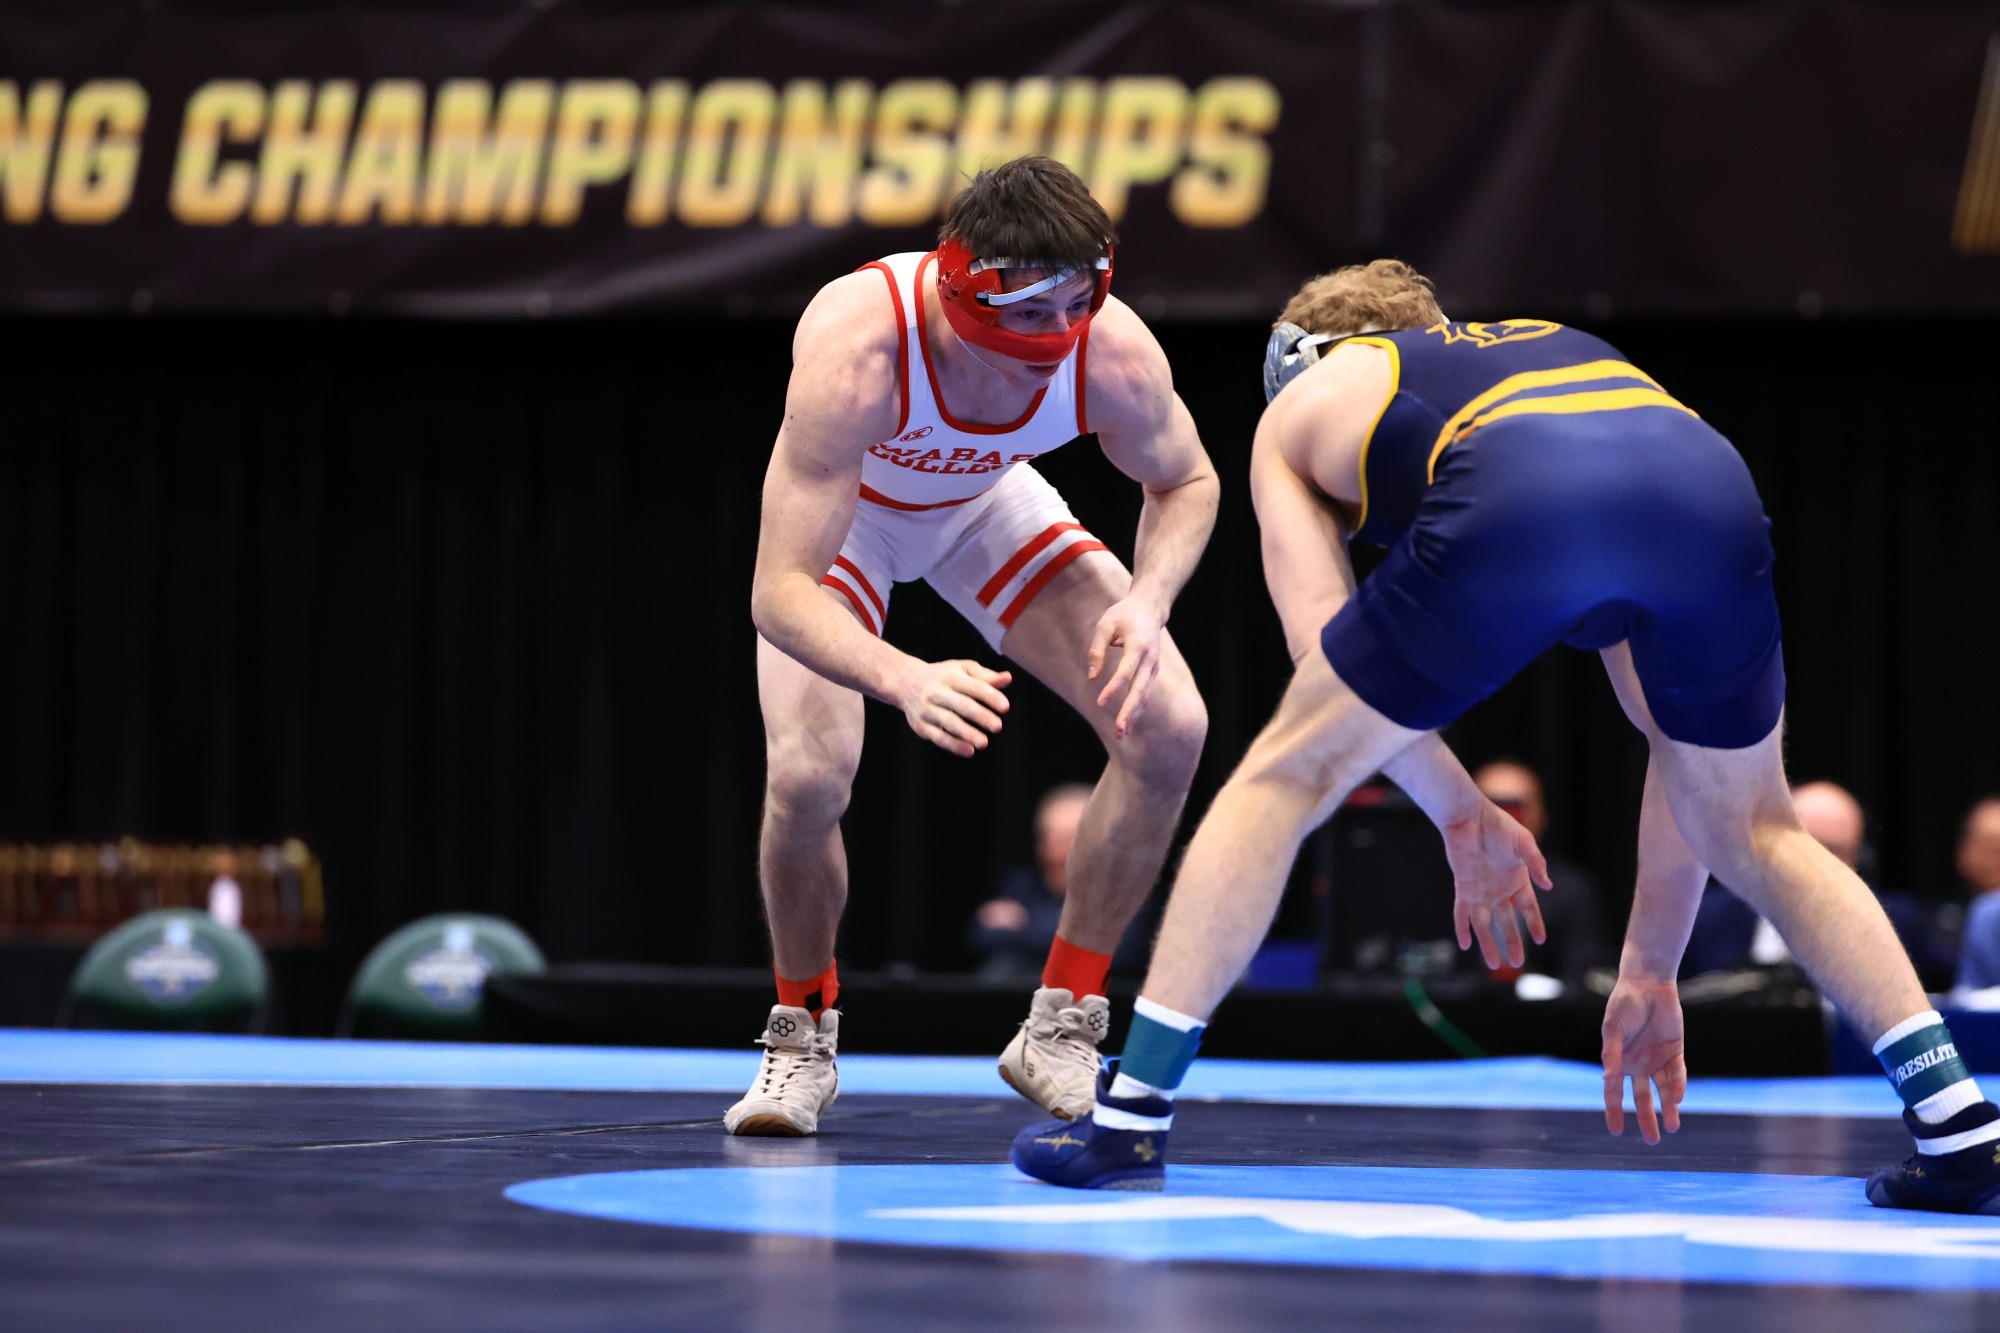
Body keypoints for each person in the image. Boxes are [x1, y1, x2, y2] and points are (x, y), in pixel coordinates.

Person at [1013, 260, 2000, 1215]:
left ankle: (1128, 1115)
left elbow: (1319, 643)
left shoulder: (1306, 402)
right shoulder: (1544, 346)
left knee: (1277, 778)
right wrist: (1645, 969)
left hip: (1516, 481)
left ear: (1300, 355)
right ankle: (1958, 1129)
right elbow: (1671, 747)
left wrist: (1457, 812)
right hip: (1706, 485)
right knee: (1759, 826)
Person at [728, 156, 1217, 1137]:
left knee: (1168, 728)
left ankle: (1061, 1020)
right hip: (848, 527)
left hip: (978, 505)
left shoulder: (1110, 349)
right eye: (1027, 315)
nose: (1053, 338)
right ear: (962, 289)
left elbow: (1187, 480)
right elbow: (778, 593)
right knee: (811, 775)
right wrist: (903, 677)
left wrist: (1149, 599)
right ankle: (800, 1034)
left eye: (1073, 305)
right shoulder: (860, 343)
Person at [1684, 781, 1956, 989]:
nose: (1819, 865)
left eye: (1835, 851)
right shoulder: (1704, 918)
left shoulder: (1896, 921)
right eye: (1809, 847)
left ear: (1859, 859)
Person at [969, 783, 1153, 979]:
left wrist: (1025, 926)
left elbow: (1123, 954)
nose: (1060, 852)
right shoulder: (1024, 885)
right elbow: (984, 935)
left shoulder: (1126, 893)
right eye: (1052, 838)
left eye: (1070, 839)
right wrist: (1079, 936)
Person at [1472, 760, 1610, 986]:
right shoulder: (1438, 885)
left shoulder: (1573, 890)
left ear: (1541, 814)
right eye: (1493, 807)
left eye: (1516, 808)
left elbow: (1587, 973)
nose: (1506, 820)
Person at [1950, 799, 2000, 989]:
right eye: (1992, 849)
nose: (1996, 860)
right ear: (1964, 854)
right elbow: (1967, 1000)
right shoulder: (1984, 916)